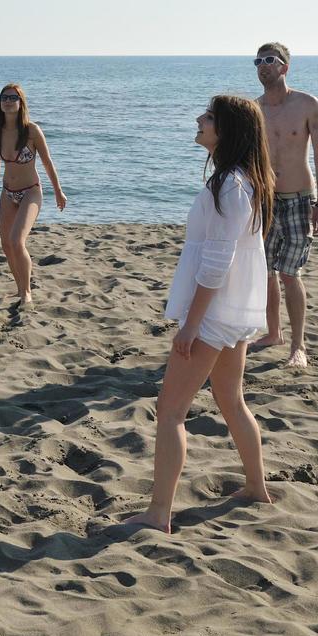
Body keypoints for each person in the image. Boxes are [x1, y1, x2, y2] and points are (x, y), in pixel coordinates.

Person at [124, 95, 274, 534]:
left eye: (208, 118)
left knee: (170, 410)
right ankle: (255, 487)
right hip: (232, 310)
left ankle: (158, 513)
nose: (199, 121)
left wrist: (191, 324)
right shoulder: (245, 179)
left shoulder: (231, 184)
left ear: (225, 130)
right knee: (230, 398)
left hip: (214, 313)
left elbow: (217, 263)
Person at [251, 43, 318, 369]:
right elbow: (250, 158)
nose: (262, 66)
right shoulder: (254, 109)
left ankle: (298, 346)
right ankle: (274, 333)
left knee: (289, 273)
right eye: (258, 61)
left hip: (299, 199)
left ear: (284, 67)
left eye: (270, 60)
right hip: (266, 200)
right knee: (267, 271)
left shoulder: (307, 104)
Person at [0, 83, 68, 305]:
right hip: (7, 193)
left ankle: (27, 292)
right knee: (5, 245)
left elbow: (48, 163)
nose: (8, 101)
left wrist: (58, 191)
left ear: (21, 103)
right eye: (4, 97)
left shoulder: (31, 130)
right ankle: (20, 288)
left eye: (13, 98)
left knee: (16, 240)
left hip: (31, 191)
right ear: (0, 103)